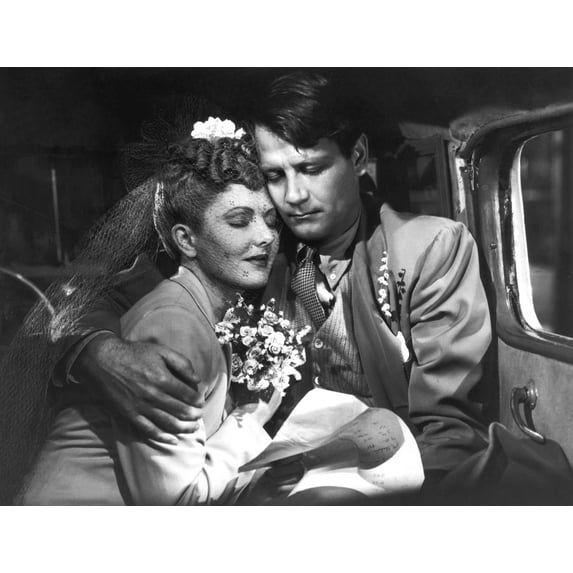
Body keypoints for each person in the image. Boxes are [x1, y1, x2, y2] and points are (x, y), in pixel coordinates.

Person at [55, 71, 492, 493]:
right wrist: (99, 353)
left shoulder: (428, 248)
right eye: (276, 176)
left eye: (311, 168)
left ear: (358, 156)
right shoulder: (245, 251)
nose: (294, 196)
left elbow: (450, 435)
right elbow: (91, 305)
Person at [20, 116, 283, 504]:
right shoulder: (173, 323)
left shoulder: (203, 306)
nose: (265, 236)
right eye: (239, 221)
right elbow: (175, 503)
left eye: (271, 221)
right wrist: (250, 419)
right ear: (185, 240)